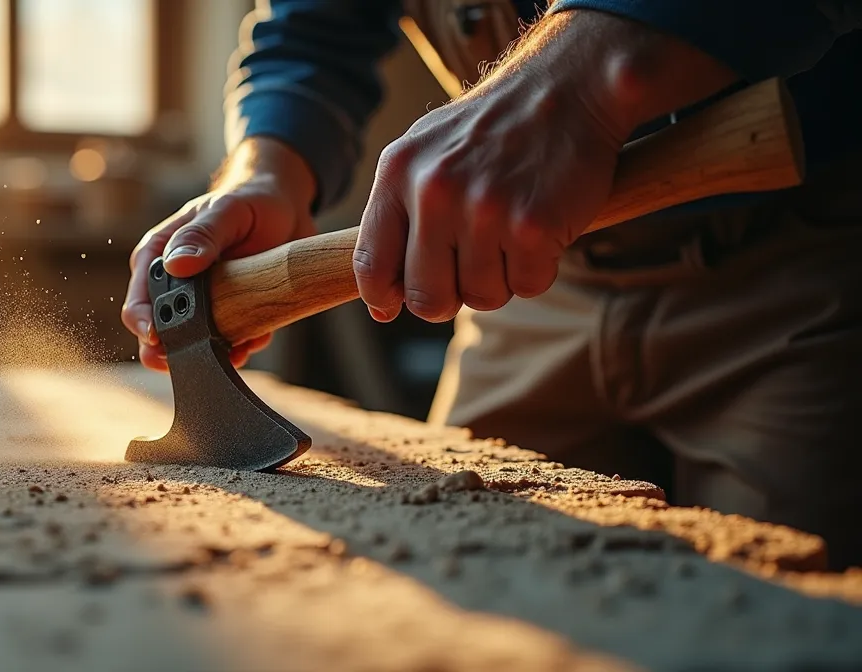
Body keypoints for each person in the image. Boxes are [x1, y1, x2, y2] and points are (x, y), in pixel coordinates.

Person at [121, 0, 862, 569]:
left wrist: (586, 68)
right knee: (460, 577)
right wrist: (266, 168)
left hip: (802, 268)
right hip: (521, 287)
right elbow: (311, 30)